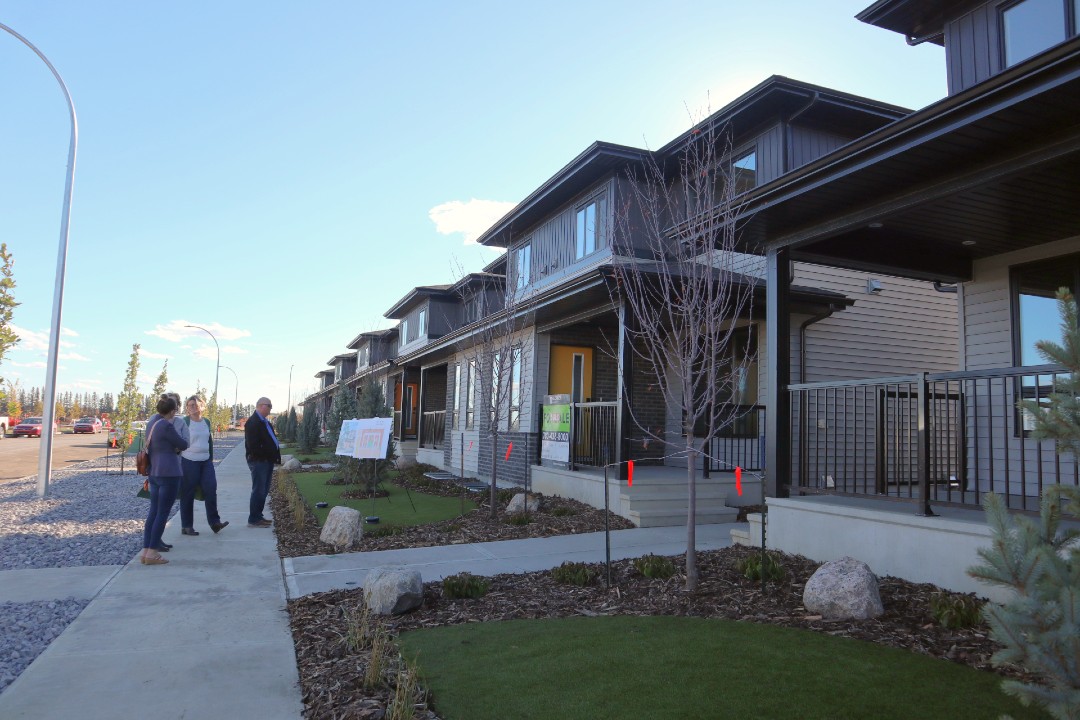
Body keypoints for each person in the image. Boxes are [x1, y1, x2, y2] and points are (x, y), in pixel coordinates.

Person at [140, 395, 189, 565]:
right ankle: (153, 552)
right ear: (173, 410)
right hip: (170, 472)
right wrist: (175, 446)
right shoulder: (166, 426)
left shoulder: (152, 424)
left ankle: (146, 551)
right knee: (162, 513)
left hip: (154, 472)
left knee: (153, 512)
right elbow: (183, 444)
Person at [179, 395, 229, 536]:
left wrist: (210, 459)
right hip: (188, 461)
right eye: (189, 405)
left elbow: (209, 442)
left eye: (195, 404)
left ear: (202, 406)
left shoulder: (206, 421)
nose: (192, 407)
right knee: (187, 493)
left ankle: (215, 523)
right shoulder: (184, 422)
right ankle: (187, 526)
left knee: (211, 489)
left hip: (205, 462)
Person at [244, 397, 281, 527]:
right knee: (258, 490)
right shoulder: (253, 422)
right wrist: (266, 455)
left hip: (266, 461)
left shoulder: (264, 422)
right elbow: (253, 446)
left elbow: (270, 440)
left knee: (263, 490)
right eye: (269, 405)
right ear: (260, 406)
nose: (271, 408)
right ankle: (253, 519)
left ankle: (258, 516)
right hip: (259, 462)